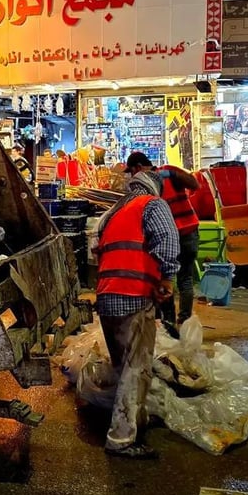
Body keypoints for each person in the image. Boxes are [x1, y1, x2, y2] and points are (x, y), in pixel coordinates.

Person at [94, 169, 180, 459]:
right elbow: (167, 241)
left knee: (124, 366)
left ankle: (132, 420)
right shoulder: (152, 205)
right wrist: (168, 279)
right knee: (136, 369)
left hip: (107, 297)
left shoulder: (114, 212)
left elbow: (96, 249)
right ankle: (122, 439)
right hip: (133, 296)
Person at [125, 152, 200, 335]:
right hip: (188, 232)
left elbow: (195, 184)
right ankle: (179, 325)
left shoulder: (163, 175)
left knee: (167, 280)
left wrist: (174, 175)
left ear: (138, 167)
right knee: (183, 280)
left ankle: (171, 325)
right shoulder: (152, 183)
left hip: (176, 236)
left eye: (132, 171)